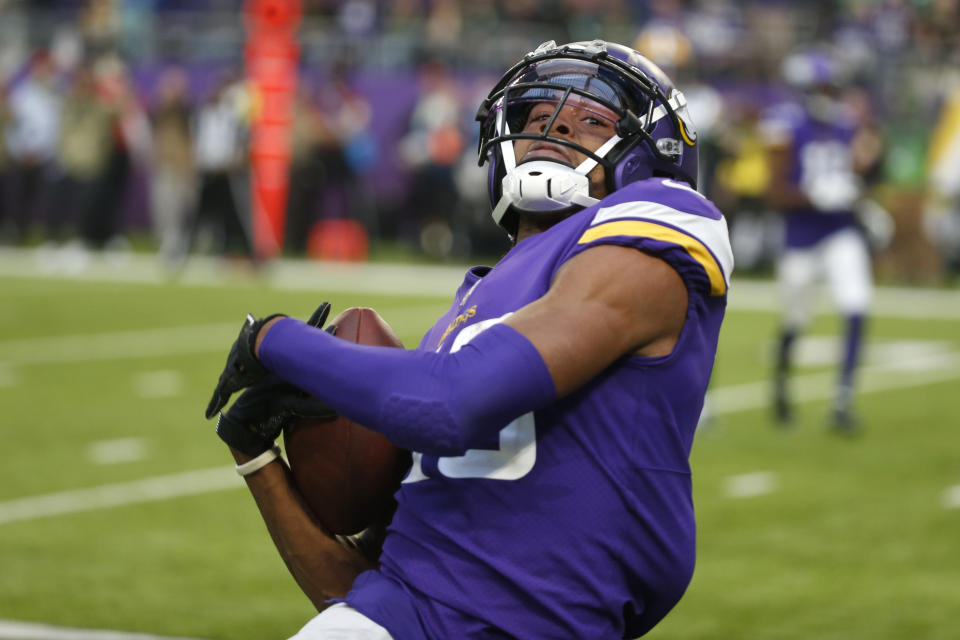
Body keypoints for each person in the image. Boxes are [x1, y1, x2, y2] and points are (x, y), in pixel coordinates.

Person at [205, 40, 733, 639]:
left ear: (651, 153)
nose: (555, 125)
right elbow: (370, 594)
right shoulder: (466, 313)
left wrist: (271, 337)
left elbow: (447, 403)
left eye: (591, 119)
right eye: (537, 118)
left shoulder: (659, 220)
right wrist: (255, 457)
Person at [762, 48, 882, 434]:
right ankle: (780, 389)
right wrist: (815, 197)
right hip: (800, 235)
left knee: (857, 303)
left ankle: (843, 401)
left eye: (832, 87)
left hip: (839, 230)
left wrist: (864, 204)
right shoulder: (783, 125)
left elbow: (858, 174)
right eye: (822, 87)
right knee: (795, 319)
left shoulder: (844, 124)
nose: (829, 94)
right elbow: (775, 192)